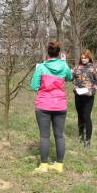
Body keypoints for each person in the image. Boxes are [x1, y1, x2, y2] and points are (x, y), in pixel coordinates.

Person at [30, 41, 73, 173]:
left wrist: (39, 71)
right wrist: (64, 64)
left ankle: (43, 165)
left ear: (47, 53)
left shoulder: (41, 67)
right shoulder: (64, 66)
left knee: (44, 136)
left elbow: (33, 86)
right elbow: (70, 78)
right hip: (60, 105)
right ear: (59, 53)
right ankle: (59, 165)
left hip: (43, 105)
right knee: (59, 136)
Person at [72, 49, 97, 148]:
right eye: (82, 58)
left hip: (88, 96)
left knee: (86, 116)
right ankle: (80, 136)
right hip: (78, 95)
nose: (83, 59)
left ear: (89, 58)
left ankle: (88, 140)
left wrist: (91, 91)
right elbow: (70, 77)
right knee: (80, 115)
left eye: (86, 58)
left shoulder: (94, 68)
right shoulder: (76, 68)